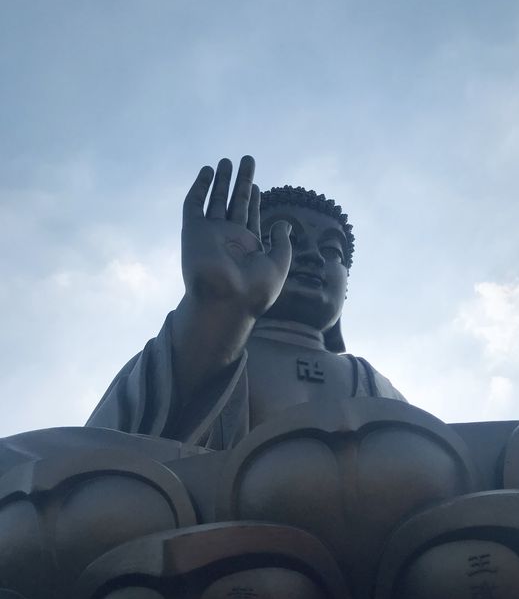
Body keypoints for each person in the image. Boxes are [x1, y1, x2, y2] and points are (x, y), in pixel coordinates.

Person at [87, 155, 404, 448]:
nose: (312, 256)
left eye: (333, 251)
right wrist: (214, 310)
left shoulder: (373, 383)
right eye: (284, 239)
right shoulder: (181, 355)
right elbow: (106, 452)